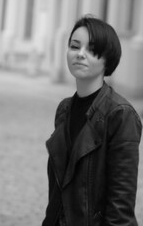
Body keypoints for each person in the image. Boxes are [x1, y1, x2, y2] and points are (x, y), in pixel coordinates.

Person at [42, 14, 142, 226]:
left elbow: (120, 207)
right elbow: (58, 192)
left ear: (108, 58)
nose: (80, 54)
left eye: (92, 49)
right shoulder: (64, 109)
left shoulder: (121, 115)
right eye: (74, 46)